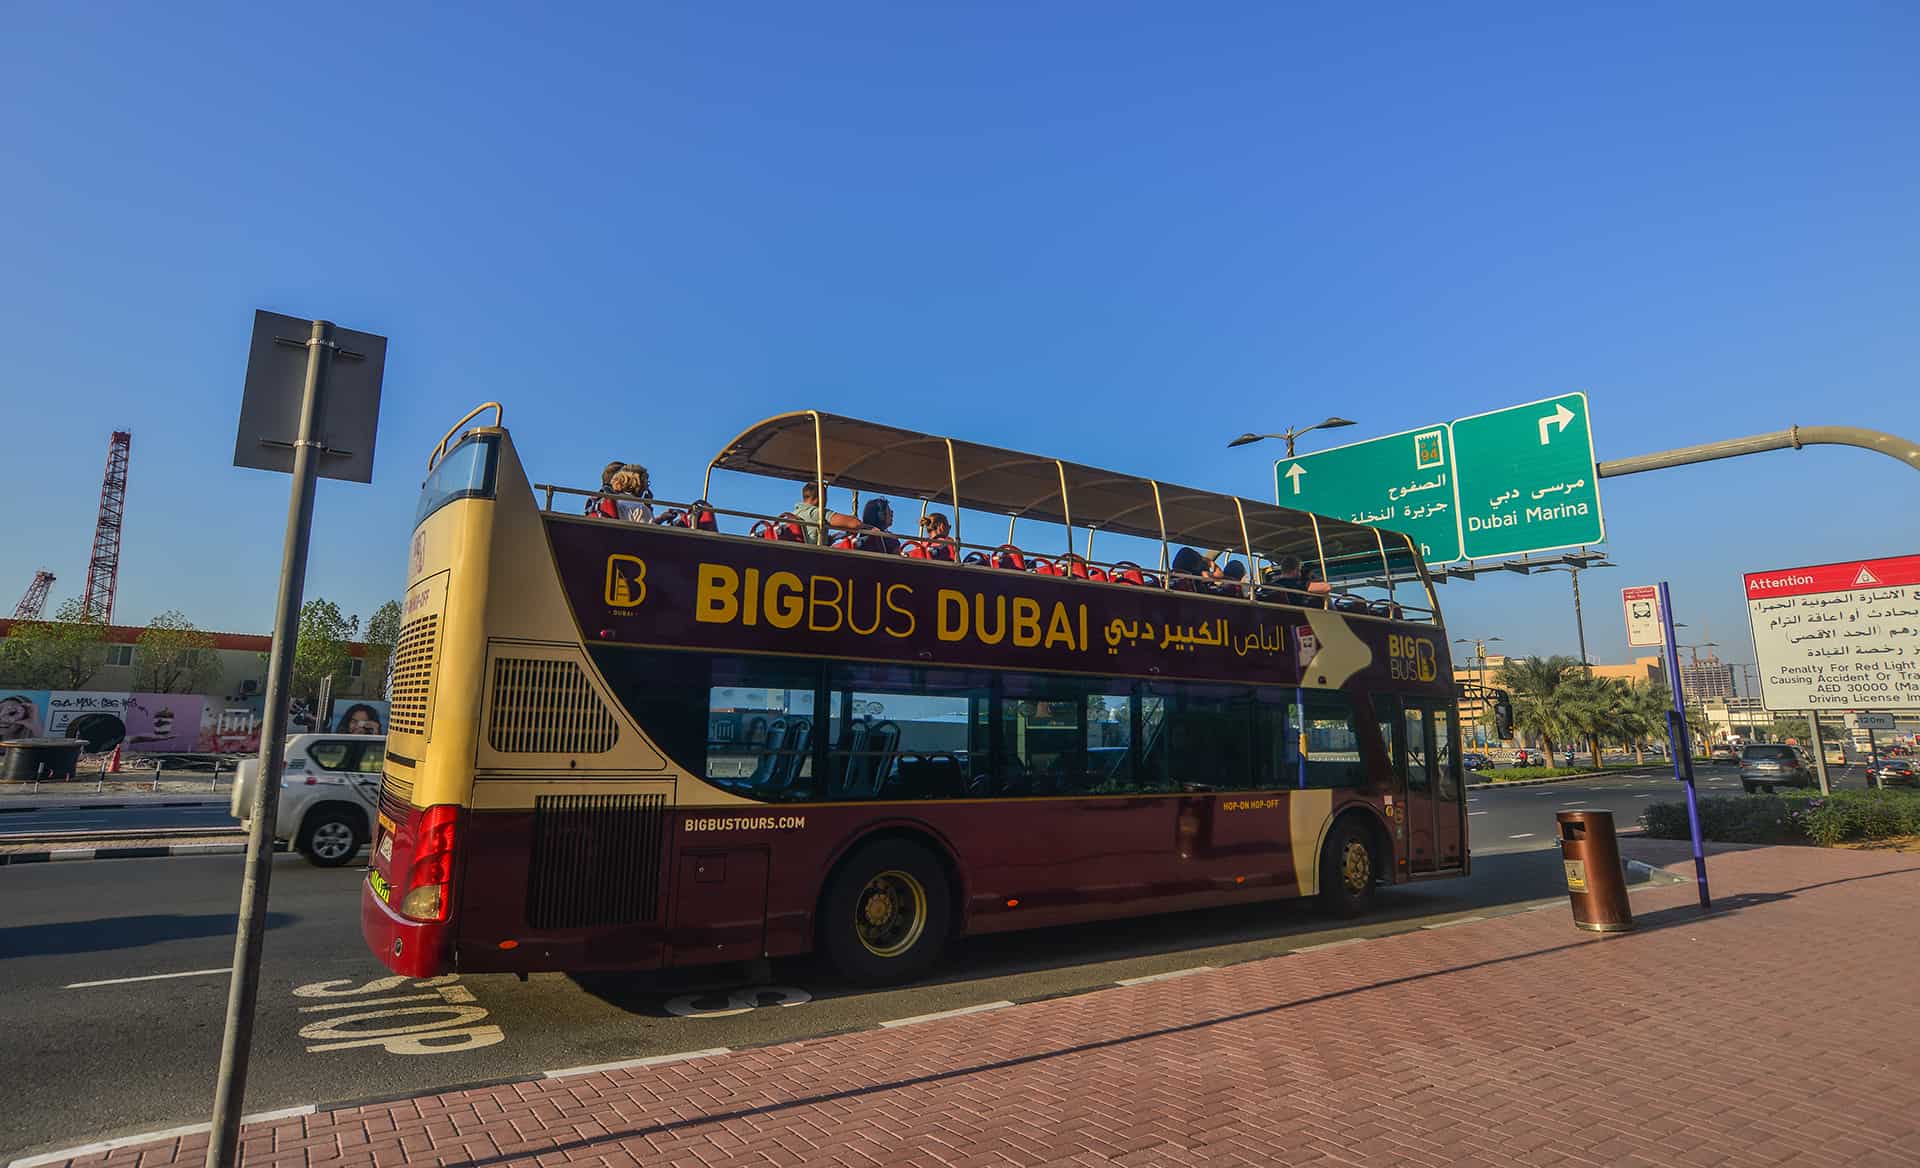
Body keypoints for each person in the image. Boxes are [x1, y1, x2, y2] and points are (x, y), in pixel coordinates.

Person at [791, 481, 872, 543]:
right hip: (816, 557)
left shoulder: (796, 513)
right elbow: (855, 523)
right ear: (821, 497)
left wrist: (838, 536)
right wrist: (871, 528)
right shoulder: (816, 513)